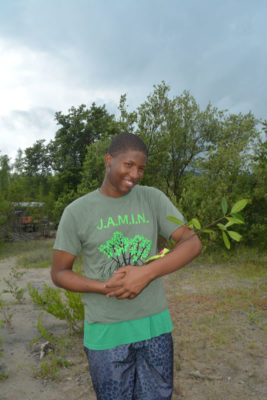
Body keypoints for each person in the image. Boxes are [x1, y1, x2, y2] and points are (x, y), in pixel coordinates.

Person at [51, 132, 202, 400]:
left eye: (141, 168)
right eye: (128, 165)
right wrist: (103, 286)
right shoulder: (77, 211)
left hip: (155, 327)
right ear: (109, 159)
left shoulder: (152, 199)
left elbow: (191, 242)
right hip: (106, 331)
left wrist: (146, 273)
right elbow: (60, 273)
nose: (135, 174)